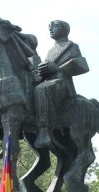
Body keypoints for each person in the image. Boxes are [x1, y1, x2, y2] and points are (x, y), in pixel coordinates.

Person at [34, 19, 89, 148]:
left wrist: (58, 68)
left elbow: (82, 66)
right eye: (49, 27)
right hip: (48, 81)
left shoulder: (72, 46)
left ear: (64, 29)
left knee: (41, 90)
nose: (51, 29)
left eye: (55, 26)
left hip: (61, 83)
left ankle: (44, 130)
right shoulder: (51, 50)